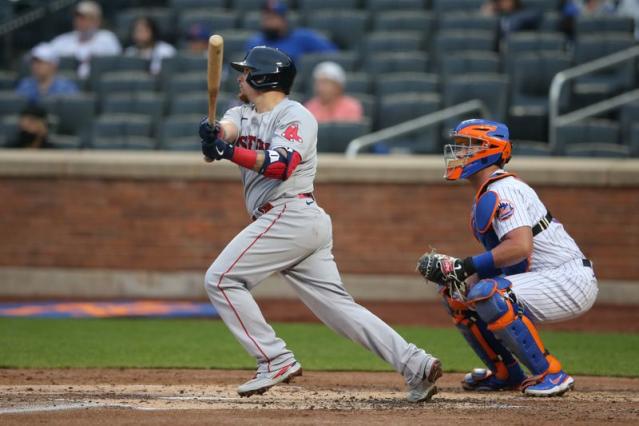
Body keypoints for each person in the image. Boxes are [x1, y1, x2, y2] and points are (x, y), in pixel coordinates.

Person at [198, 45, 441, 402]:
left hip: (290, 214)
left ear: (265, 78)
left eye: (247, 72)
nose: (240, 77)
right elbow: (226, 134)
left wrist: (227, 151)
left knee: (221, 279)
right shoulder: (240, 112)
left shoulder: (297, 116)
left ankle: (273, 358)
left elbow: (281, 165)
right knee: (341, 311)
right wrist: (214, 136)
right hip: (295, 222)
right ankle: (415, 364)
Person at [417, 119, 598, 397]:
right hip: (543, 276)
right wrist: (461, 275)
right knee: (458, 294)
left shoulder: (504, 188)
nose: (458, 153)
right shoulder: (488, 191)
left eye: (466, 146)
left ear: (488, 149)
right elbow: (512, 262)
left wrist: (464, 265)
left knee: (491, 295)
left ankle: (551, 373)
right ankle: (506, 373)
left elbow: (519, 248)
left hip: (569, 277)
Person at [245, 1, 336, 64]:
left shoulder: (303, 37)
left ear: (283, 20)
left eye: (272, 18)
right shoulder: (255, 43)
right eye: (265, 18)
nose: (267, 23)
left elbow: (332, 54)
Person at [49, 1, 121, 79]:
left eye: (84, 18)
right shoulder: (62, 41)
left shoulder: (108, 38)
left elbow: (117, 67)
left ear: (97, 20)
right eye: (77, 17)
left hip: (99, 84)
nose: (80, 21)